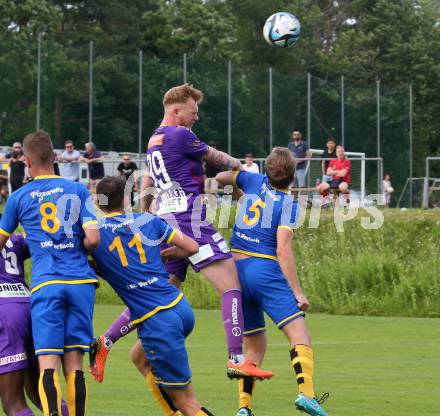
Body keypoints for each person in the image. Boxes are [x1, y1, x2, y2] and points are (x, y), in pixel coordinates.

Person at [89, 84, 273, 393]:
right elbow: (219, 159)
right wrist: (243, 168)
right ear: (176, 111)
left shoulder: (154, 140)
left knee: (159, 294)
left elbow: (148, 181)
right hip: (191, 219)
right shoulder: (179, 135)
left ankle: (106, 340)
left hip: (165, 220)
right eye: (193, 112)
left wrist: (146, 219)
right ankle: (235, 358)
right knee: (231, 286)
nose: (196, 118)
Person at [215, 147, 328, 416]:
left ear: (266, 170)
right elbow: (282, 249)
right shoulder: (289, 204)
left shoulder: (252, 180)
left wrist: (238, 185)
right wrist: (297, 292)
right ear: (292, 177)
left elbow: (221, 177)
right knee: (299, 332)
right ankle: (307, 395)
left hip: (235, 271)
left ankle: (243, 408)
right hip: (262, 269)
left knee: (254, 344)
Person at [91, 176, 215, 416]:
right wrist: (165, 255)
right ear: (127, 198)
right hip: (180, 308)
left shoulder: (95, 236)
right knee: (139, 358)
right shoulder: (148, 220)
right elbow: (191, 247)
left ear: (97, 201)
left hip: (157, 321)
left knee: (187, 402)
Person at [0, 130, 100, 416]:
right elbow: (93, 240)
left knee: (47, 364)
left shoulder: (19, 197)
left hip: (47, 283)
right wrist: (72, 245)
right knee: (74, 366)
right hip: (80, 281)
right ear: (55, 158)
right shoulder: (79, 190)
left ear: (27, 163)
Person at [0, 232, 70, 416]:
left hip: (5, 314)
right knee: (42, 395)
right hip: (31, 307)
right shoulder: (14, 237)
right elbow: (47, 241)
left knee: (13, 402)